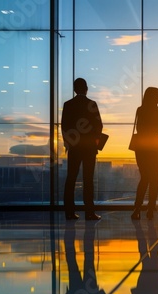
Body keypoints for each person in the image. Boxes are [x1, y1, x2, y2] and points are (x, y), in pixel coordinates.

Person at [62, 78, 103, 221]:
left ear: (74, 89)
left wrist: (68, 143)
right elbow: (99, 125)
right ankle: (90, 212)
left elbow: (64, 127)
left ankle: (69, 212)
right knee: (88, 179)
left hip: (74, 147)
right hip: (89, 148)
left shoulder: (68, 105)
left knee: (71, 179)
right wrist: (95, 139)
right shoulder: (91, 104)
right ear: (86, 88)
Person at [131, 87, 158, 220]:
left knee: (144, 177)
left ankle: (137, 208)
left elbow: (139, 128)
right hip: (155, 147)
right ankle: (151, 209)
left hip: (141, 148)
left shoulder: (140, 110)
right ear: (154, 96)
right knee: (154, 179)